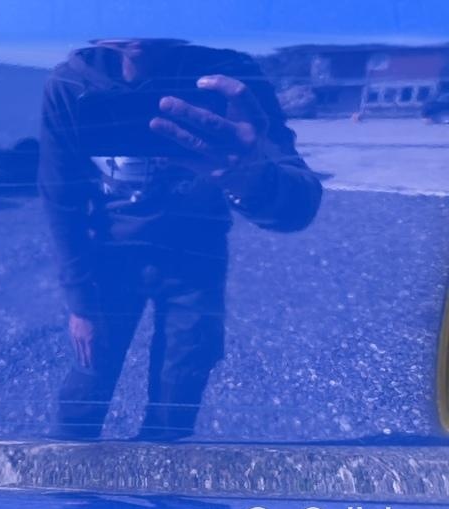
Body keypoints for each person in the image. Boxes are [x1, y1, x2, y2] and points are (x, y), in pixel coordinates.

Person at [39, 38, 322, 441]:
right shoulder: (70, 84)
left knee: (176, 405)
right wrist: (80, 302)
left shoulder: (229, 79)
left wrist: (253, 177)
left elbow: (300, 204)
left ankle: (156, 479)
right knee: (84, 396)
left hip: (195, 261)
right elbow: (59, 200)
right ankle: (69, 478)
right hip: (110, 261)